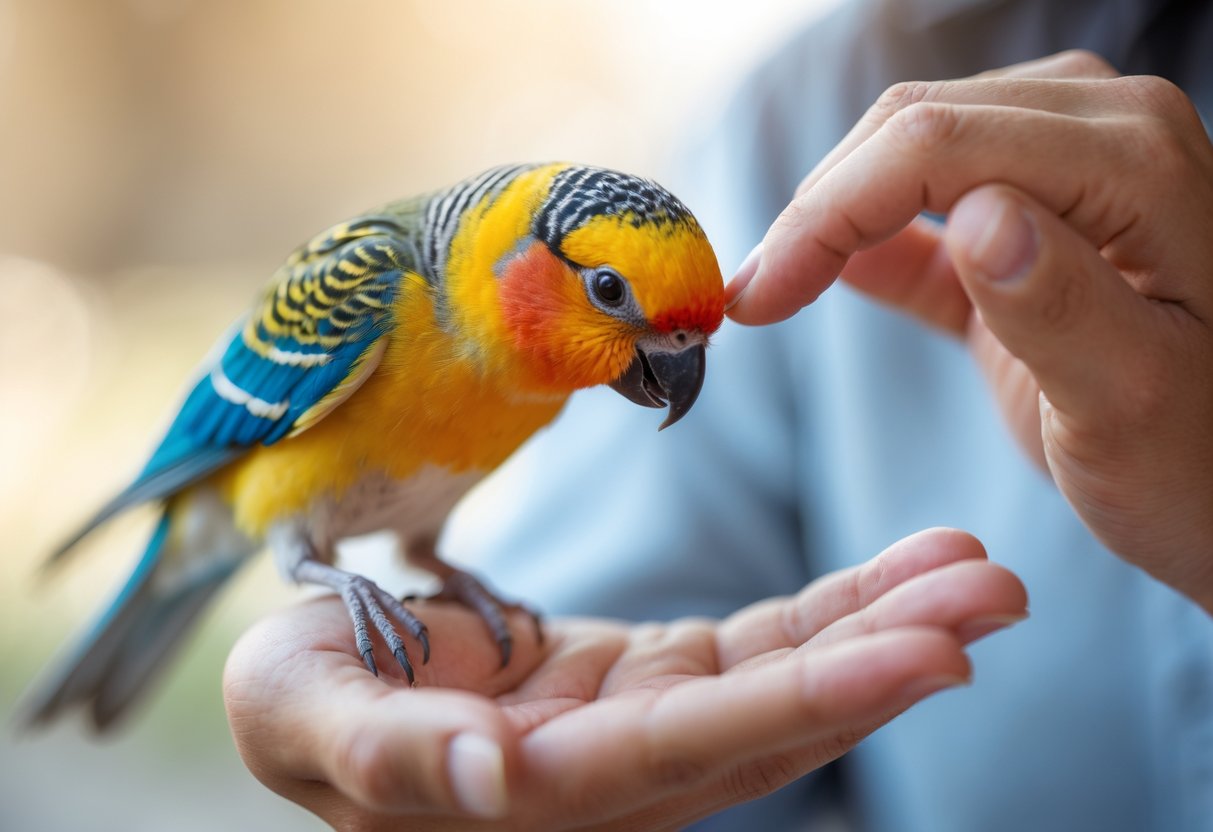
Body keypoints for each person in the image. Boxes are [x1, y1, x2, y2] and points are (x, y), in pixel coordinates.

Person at [222, 0, 1213, 829]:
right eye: (615, 295)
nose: (669, 358)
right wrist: (482, 739)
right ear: (514, 264)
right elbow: (592, 654)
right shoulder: (792, 117)